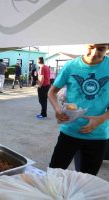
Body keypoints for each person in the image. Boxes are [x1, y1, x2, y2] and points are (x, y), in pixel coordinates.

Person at [48, 43, 109, 175]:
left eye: (101, 49)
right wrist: (57, 109)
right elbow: (52, 92)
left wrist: (101, 119)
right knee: (54, 174)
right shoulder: (71, 66)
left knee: (87, 180)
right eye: (91, 46)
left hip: (98, 135)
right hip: (69, 132)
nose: (94, 52)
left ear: (108, 48)